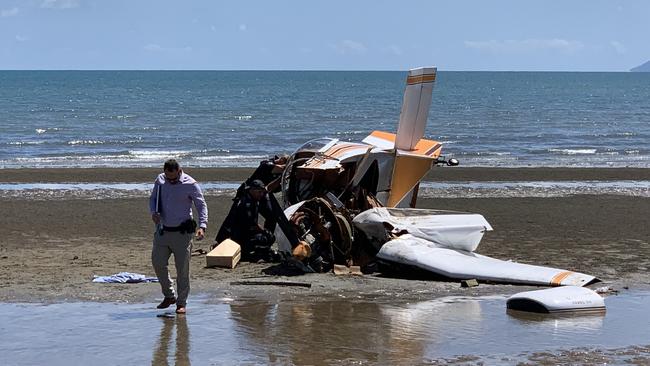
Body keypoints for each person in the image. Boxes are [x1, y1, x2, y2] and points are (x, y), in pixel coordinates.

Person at [149, 159, 208, 314]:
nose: (171, 181)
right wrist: (153, 212)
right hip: (162, 230)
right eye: (169, 178)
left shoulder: (190, 183)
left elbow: (201, 205)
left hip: (183, 234)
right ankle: (169, 295)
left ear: (179, 171)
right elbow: (153, 198)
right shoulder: (160, 180)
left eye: (174, 178)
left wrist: (202, 226)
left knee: (182, 270)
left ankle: (181, 303)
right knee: (157, 262)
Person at [215, 179, 277, 262]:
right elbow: (252, 225)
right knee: (269, 238)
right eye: (259, 192)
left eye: (262, 192)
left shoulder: (248, 199)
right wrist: (265, 232)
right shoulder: (247, 203)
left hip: (238, 234)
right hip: (239, 236)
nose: (261, 194)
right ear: (252, 190)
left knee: (267, 236)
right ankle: (248, 252)